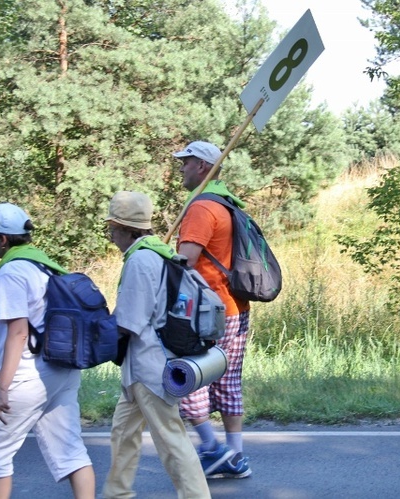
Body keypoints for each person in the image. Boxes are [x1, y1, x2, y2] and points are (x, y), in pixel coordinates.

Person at [0, 203, 95, 498]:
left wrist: (3, 386)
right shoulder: (44, 265)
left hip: (29, 375)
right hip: (61, 370)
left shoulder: (12, 271)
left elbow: (19, 332)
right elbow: (41, 324)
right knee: (70, 451)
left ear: (3, 239)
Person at [102, 191, 210, 499]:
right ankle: (116, 493)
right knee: (123, 434)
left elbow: (129, 322)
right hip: (141, 369)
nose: (111, 234)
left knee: (171, 441)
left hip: (148, 368)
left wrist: (95, 333)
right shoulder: (159, 252)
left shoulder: (140, 260)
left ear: (125, 229)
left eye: (113, 228)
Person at [172, 141, 252, 479]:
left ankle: (214, 449)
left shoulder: (202, 208)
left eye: (186, 162)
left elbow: (185, 261)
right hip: (235, 307)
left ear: (203, 166)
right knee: (228, 381)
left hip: (206, 313)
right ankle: (236, 456)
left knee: (188, 378)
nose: (182, 168)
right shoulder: (229, 203)